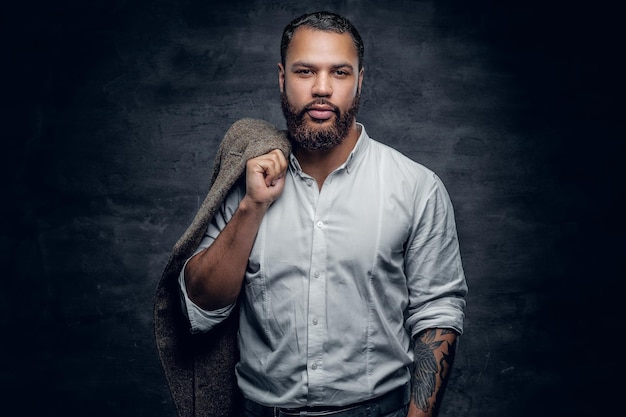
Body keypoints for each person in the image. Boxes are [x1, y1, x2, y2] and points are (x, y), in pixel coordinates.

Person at [178, 11, 467, 417]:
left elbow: (437, 312)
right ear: (282, 78)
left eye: (340, 73)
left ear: (359, 81)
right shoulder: (244, 182)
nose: (322, 88)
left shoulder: (416, 187)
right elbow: (201, 305)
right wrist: (253, 206)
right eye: (305, 71)